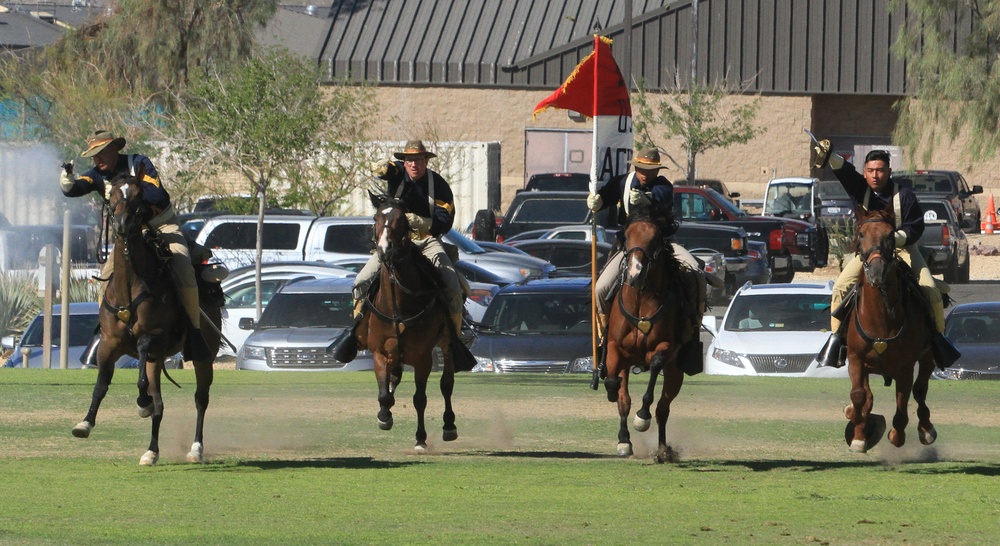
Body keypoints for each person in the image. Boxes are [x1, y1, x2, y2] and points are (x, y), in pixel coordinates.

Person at [60, 130, 213, 363]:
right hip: (131, 236)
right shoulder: (98, 174)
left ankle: (194, 332)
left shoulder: (139, 163)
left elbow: (158, 195)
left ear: (114, 150)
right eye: (93, 156)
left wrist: (130, 190)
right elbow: (78, 187)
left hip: (163, 226)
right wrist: (67, 181)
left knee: (184, 269)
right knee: (106, 277)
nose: (96, 160)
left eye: (100, 154)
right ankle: (106, 332)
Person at [812, 145, 959, 369]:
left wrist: (892, 239)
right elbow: (844, 171)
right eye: (870, 170)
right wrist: (829, 154)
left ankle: (938, 340)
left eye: (880, 170)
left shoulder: (905, 195)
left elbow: (915, 228)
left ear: (889, 171)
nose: (875, 175)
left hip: (902, 249)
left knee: (929, 288)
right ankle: (836, 340)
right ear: (865, 172)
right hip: (869, 252)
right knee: (840, 286)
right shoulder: (860, 189)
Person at [587, 146, 710, 369]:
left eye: (650, 169)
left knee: (696, 274)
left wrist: (647, 197)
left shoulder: (663, 185)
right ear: (635, 167)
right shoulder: (622, 183)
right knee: (600, 289)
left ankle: (690, 329)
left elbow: (660, 197)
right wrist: (597, 201)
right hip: (628, 247)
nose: (645, 173)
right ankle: (606, 336)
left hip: (661, 245)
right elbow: (606, 195)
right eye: (642, 168)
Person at [341, 139, 467, 352]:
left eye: (418, 159)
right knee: (361, 280)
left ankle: (455, 341)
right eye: (409, 160)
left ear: (426, 161)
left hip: (425, 240)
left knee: (453, 286)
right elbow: (387, 170)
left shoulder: (439, 186)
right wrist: (380, 167)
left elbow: (443, 223)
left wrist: (418, 221)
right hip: (395, 244)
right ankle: (358, 333)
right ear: (405, 162)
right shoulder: (398, 173)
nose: (413, 164)